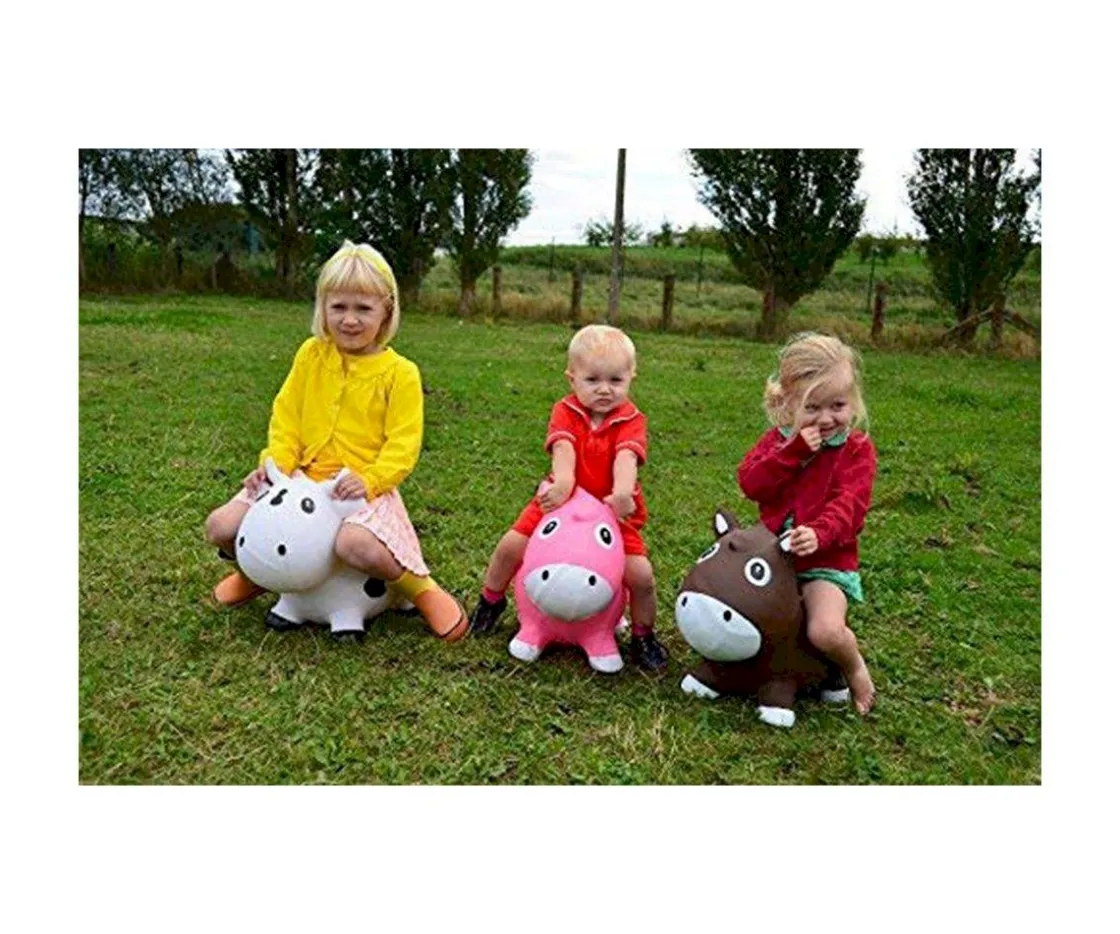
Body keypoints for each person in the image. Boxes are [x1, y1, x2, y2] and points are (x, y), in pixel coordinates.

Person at [203, 240, 468, 642]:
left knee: (356, 546)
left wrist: (371, 480)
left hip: (357, 489)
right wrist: (275, 466)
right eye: (339, 307)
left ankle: (417, 587)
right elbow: (287, 417)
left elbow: (403, 444)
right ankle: (258, 574)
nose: (349, 319)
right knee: (221, 526)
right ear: (323, 307)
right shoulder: (311, 355)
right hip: (298, 479)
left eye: (363, 308)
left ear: (387, 311)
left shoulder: (400, 373)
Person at [468, 324, 668, 671]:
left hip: (612, 511)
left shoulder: (632, 420)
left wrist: (623, 492)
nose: (604, 389)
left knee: (641, 576)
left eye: (616, 380)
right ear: (572, 378)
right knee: (510, 546)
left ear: (631, 377)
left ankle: (643, 635)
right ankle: (491, 600)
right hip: (562, 500)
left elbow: (627, 457)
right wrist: (563, 483)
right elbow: (563, 447)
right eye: (592, 380)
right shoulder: (566, 411)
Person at [737, 333, 877, 713]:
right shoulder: (779, 442)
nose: (827, 418)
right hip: (774, 558)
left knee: (824, 630)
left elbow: (850, 506)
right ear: (788, 403)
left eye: (838, 405)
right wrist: (793, 452)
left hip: (825, 562)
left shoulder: (856, 450)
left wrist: (819, 533)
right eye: (812, 407)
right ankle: (773, 672)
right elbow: (751, 483)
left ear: (853, 401)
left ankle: (851, 667)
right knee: (748, 612)